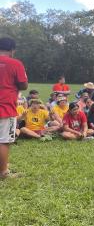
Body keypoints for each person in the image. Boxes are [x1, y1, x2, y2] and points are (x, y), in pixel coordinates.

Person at [0, 37, 28, 179]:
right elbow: (23, 85)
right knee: (4, 140)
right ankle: (4, 172)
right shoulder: (15, 63)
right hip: (5, 106)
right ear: (12, 50)